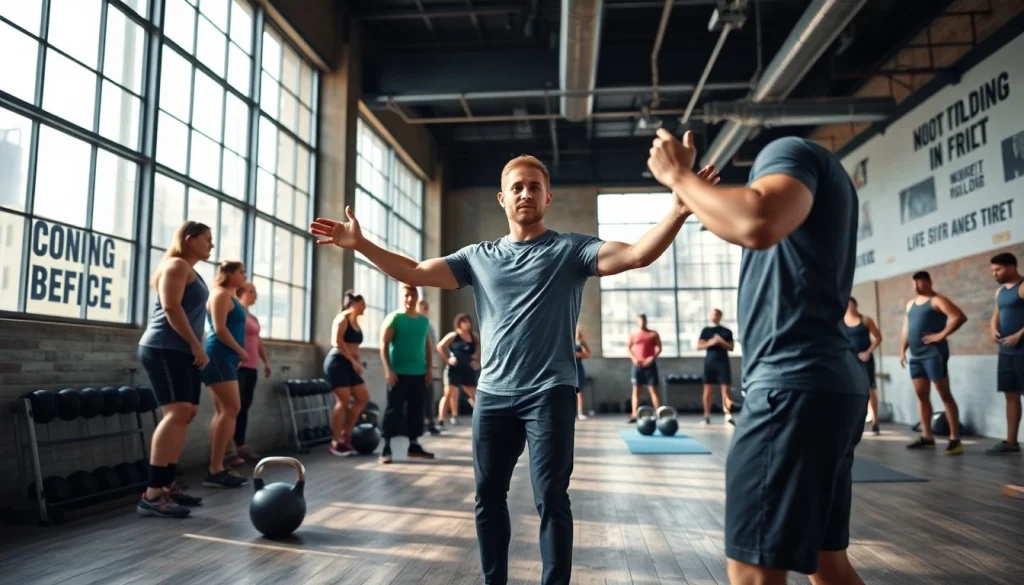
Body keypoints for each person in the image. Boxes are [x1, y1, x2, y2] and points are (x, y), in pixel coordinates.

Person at [310, 146, 719, 585]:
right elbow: (413, 270)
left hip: (550, 392)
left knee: (551, 498)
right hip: (494, 396)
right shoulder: (477, 257)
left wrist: (678, 210)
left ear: (547, 199)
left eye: (534, 187)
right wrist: (362, 244)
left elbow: (637, 254)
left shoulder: (572, 250)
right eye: (516, 187)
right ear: (503, 199)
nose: (525, 193)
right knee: (488, 496)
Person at [648, 129, 869, 584]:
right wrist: (692, 196)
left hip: (792, 388)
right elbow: (747, 223)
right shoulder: (813, 195)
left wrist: (678, 175)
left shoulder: (788, 151)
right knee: (829, 566)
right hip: (824, 385)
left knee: (752, 571)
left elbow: (755, 222)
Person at [136, 221, 212, 518]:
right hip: (164, 347)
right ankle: (153, 494)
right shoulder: (176, 265)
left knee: (187, 412)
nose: (211, 245)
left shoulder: (192, 271)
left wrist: (197, 346)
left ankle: (167, 484)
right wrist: (196, 345)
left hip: (183, 349)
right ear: (190, 240)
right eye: (207, 239)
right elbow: (171, 308)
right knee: (176, 413)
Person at [900, 271, 966, 456]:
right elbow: (906, 329)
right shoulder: (910, 304)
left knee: (944, 395)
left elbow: (959, 316)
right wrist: (901, 350)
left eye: (919, 283)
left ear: (929, 282)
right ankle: (927, 437)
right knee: (921, 396)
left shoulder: (937, 300)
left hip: (933, 354)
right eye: (914, 284)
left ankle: (955, 440)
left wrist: (941, 335)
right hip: (916, 356)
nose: (916, 287)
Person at [200, 261, 250, 488]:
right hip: (219, 356)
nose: (244, 275)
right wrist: (240, 351)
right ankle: (215, 468)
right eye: (240, 272)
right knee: (231, 409)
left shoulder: (228, 295)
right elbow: (219, 329)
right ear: (228, 273)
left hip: (225, 358)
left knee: (223, 411)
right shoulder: (220, 294)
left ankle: (218, 465)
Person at [379, 284, 435, 464]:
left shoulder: (423, 321)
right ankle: (386, 447)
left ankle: (413, 445)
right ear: (401, 297)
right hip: (398, 374)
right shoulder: (394, 318)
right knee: (394, 410)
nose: (410, 299)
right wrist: (388, 369)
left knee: (416, 411)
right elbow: (384, 344)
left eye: (413, 295)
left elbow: (427, 346)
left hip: (419, 373)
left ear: (417, 297)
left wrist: (429, 368)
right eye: (406, 296)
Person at [225, 281, 271, 467]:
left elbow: (257, 342)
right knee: (233, 409)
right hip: (238, 367)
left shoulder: (252, 317)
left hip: (252, 367)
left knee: (244, 408)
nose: (255, 295)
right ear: (240, 293)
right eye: (252, 292)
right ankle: (229, 450)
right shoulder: (235, 314)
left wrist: (265, 362)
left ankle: (241, 445)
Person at [323, 291, 370, 456]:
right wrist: (352, 361)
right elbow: (337, 342)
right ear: (355, 303)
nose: (365, 307)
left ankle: (346, 435)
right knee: (343, 402)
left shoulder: (356, 322)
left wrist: (357, 363)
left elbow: (354, 346)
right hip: (337, 363)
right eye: (363, 304)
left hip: (350, 364)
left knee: (362, 398)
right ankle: (335, 442)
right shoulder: (342, 318)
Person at [987, 252, 1024, 454]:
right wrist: (993, 329)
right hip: (1005, 352)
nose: (995, 274)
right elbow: (996, 315)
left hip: (1022, 351)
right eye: (993, 270)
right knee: (1011, 396)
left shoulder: (1022, 287)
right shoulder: (1000, 292)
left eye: (998, 269)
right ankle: (1011, 442)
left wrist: (1019, 334)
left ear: (1011, 267)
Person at [843, 297, 882, 435]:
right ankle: (852, 422)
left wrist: (868, 352)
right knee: (849, 389)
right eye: (847, 305)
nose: (849, 308)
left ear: (855, 305)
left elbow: (878, 337)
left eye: (851, 305)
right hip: (849, 361)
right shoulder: (841, 323)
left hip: (865, 360)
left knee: (869, 388)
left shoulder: (865, 320)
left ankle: (875, 422)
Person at [437, 313, 481, 426]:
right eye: (464, 321)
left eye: (468, 321)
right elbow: (440, 346)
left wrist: (476, 359)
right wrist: (448, 360)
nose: (467, 324)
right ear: (459, 323)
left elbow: (481, 347)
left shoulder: (474, 336)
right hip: (454, 369)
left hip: (467, 370)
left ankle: (482, 417)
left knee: (474, 394)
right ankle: (441, 420)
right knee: (449, 394)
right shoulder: (454, 335)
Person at [697, 308, 735, 425]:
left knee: (726, 390)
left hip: (723, 363)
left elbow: (731, 347)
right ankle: (706, 416)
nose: (715, 316)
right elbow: (699, 346)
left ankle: (728, 415)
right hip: (710, 363)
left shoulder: (726, 331)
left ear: (720, 316)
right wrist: (712, 342)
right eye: (713, 314)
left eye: (717, 314)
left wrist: (721, 341)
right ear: (710, 316)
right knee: (708, 389)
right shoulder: (706, 331)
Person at [627, 314, 662, 423]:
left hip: (650, 366)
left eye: (644, 320)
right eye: (640, 321)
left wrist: (651, 358)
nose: (642, 323)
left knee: (653, 390)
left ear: (646, 321)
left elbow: (659, 348)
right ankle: (634, 415)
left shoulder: (653, 334)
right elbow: (628, 348)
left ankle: (658, 414)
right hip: (637, 366)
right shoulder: (633, 334)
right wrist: (634, 359)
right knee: (636, 390)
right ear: (637, 322)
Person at [419, 299, 443, 435]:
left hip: (426, 366)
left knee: (429, 395)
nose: (425, 310)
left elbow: (432, 347)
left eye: (426, 307)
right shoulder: (417, 324)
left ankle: (430, 423)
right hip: (416, 366)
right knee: (419, 397)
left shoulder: (428, 325)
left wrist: (430, 365)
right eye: (422, 307)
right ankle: (422, 424)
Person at [575, 325, 592, 421]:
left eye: (578, 332)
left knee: (579, 392)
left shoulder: (581, 343)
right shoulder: (567, 340)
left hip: (579, 369)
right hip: (569, 369)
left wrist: (579, 354)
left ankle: (580, 413)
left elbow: (589, 354)